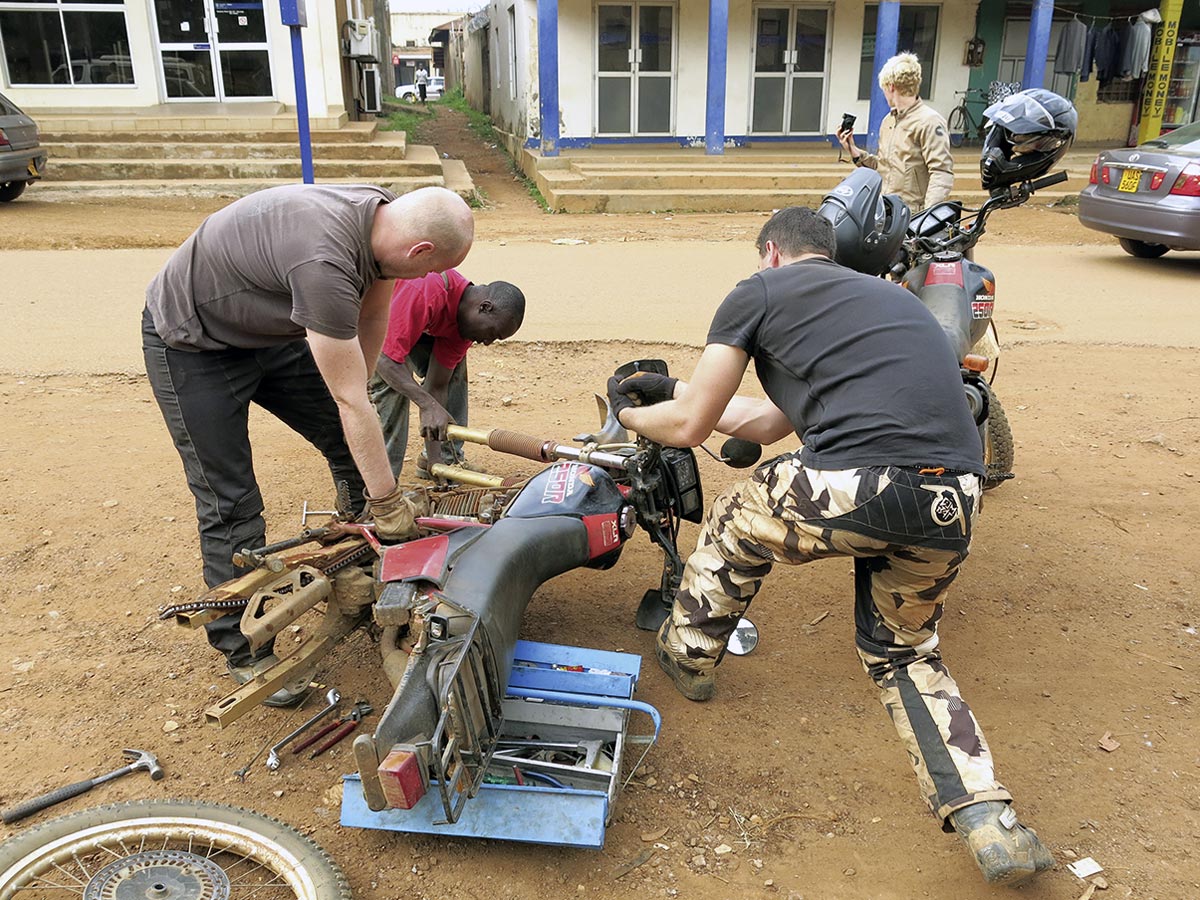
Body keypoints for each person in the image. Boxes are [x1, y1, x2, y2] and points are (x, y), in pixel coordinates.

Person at [607, 207, 1054, 887]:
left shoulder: (757, 290)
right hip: (955, 496)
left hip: (864, 483)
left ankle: (689, 653)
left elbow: (694, 423)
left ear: (772, 255)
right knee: (904, 653)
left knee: (734, 516)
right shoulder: (886, 302)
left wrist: (631, 412)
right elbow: (759, 421)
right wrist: (674, 388)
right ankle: (989, 820)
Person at [143, 184, 474, 705]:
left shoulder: (382, 218)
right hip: (193, 343)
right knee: (231, 500)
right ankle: (245, 649)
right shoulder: (325, 260)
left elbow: (369, 322)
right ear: (420, 252)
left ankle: (358, 557)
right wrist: (389, 502)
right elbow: (350, 400)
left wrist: (361, 419)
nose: (428, 282)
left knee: (351, 447)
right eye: (430, 272)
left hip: (268, 336)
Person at [369, 270, 525, 478]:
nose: (487, 343)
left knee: (453, 372)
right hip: (367, 318)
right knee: (393, 385)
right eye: (491, 334)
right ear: (485, 308)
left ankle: (446, 459)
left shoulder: (464, 328)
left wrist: (436, 461)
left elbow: (438, 385)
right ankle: (381, 488)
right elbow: (384, 358)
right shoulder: (426, 288)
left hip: (412, 322)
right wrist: (427, 404)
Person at [837, 52, 954, 213]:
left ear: (891, 86)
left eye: (884, 89)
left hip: (911, 213)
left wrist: (926, 218)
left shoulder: (930, 122)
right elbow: (884, 166)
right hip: (885, 208)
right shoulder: (888, 121)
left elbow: (941, 172)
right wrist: (855, 152)